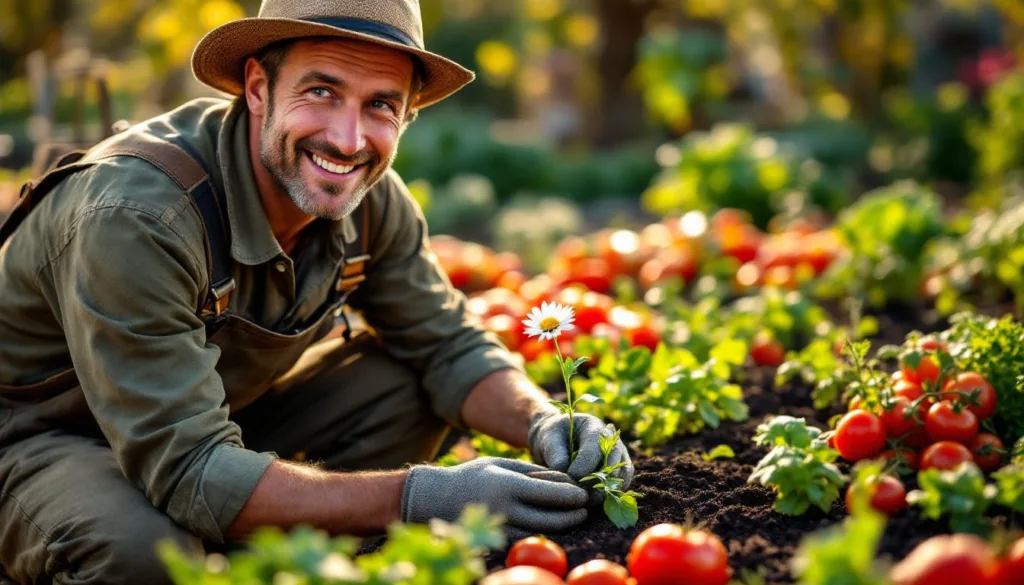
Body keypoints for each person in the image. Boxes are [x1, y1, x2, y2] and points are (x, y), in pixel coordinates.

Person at [0, 1, 634, 584]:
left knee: (410, 383)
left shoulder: (371, 201)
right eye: (322, 91)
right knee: (142, 556)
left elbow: (448, 344)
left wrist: (544, 420)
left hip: (204, 419)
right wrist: (417, 497)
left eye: (381, 105)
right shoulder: (139, 216)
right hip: (35, 438)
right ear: (256, 87)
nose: (348, 139)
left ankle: (248, 531)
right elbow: (189, 464)